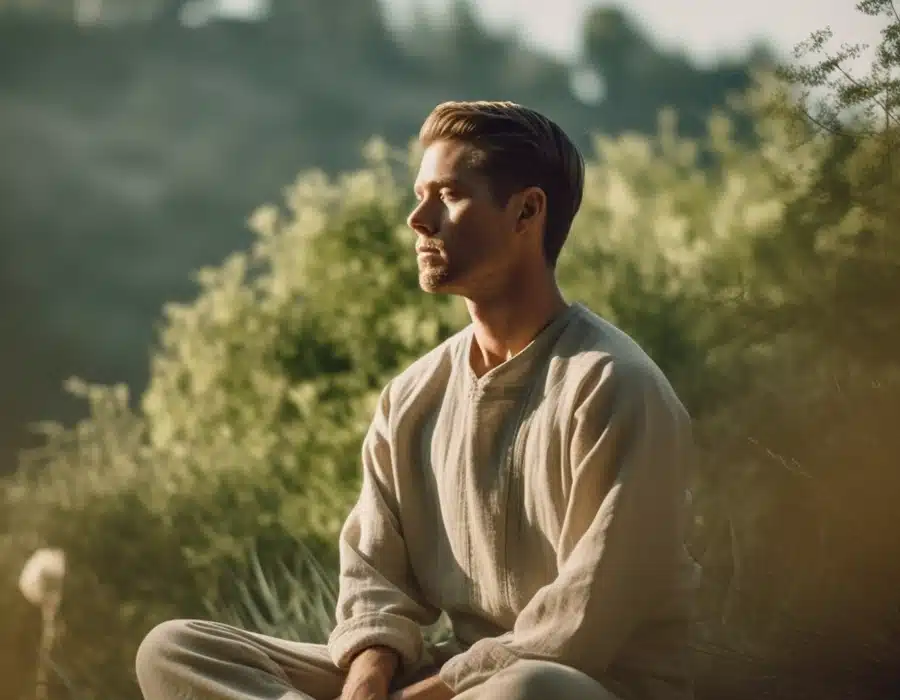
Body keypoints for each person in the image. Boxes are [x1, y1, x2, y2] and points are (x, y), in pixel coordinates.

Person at [135, 101, 696, 700]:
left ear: (527, 211)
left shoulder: (613, 386)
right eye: (419, 194)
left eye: (448, 196)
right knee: (177, 650)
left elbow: (584, 623)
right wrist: (371, 673)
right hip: (447, 678)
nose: (417, 219)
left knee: (528, 690)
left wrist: (433, 691)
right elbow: (375, 576)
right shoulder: (412, 397)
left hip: (581, 683)